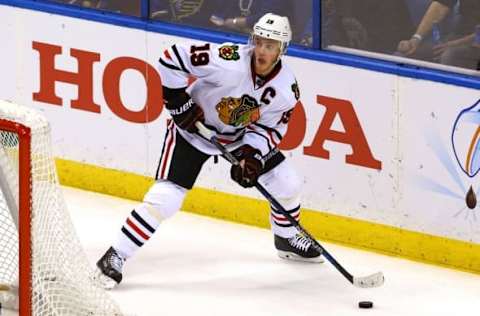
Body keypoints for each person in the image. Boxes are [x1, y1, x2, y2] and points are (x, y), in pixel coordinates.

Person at [95, 13, 323, 289]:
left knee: (287, 183)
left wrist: (251, 154)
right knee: (165, 199)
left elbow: (270, 129)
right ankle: (115, 254)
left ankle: (287, 238)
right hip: (193, 132)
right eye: (259, 41)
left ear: (282, 50)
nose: (262, 50)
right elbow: (172, 58)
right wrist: (180, 103)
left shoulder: (287, 89)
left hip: (238, 138)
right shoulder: (227, 60)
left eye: (270, 45)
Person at [397, 0, 480, 70]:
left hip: (474, 42)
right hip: (459, 35)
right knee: (408, 54)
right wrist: (416, 38)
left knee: (450, 56)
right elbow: (441, 5)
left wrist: (455, 44)